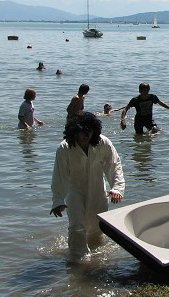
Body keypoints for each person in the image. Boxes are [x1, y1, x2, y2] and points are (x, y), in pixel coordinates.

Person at [50, 111, 125, 259]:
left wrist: (117, 188)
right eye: (81, 132)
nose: (85, 136)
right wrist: (58, 200)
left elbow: (114, 165)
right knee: (76, 225)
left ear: (94, 131)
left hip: (98, 189)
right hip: (74, 192)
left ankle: (96, 257)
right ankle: (79, 261)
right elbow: (59, 175)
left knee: (97, 226)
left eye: (89, 132)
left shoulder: (103, 143)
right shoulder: (64, 148)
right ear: (74, 132)